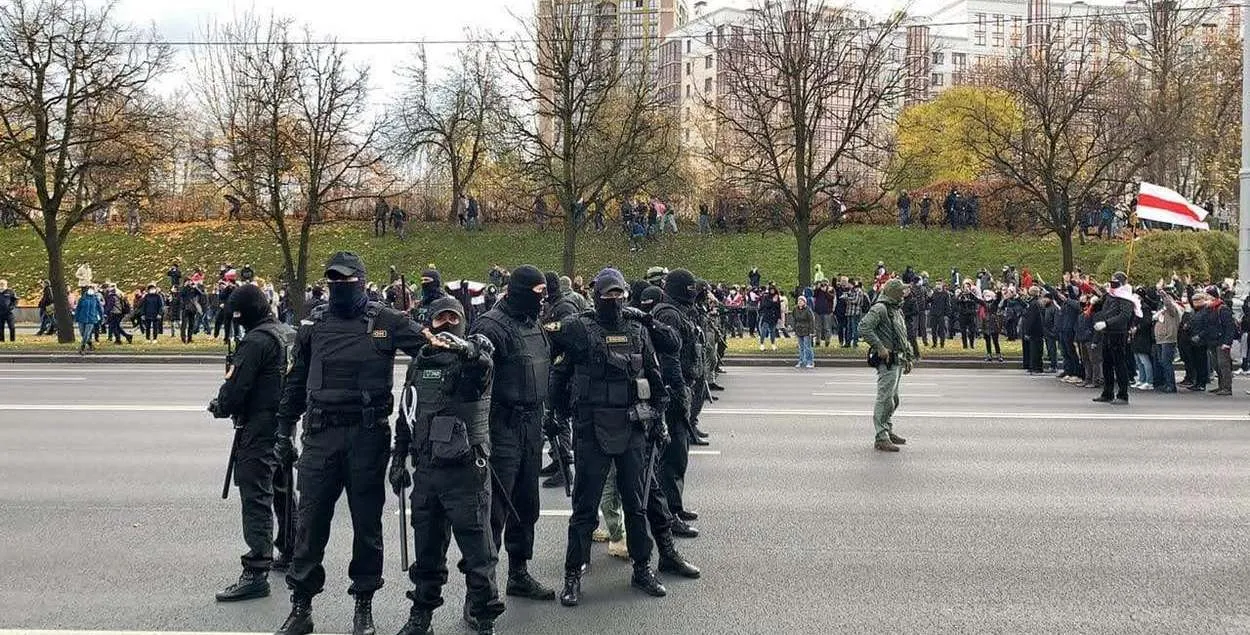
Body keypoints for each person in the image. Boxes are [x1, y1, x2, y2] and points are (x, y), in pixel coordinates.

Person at [272, 252, 429, 635]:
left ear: (361, 280)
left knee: (367, 526)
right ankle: (302, 606)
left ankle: (364, 606)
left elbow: (429, 353)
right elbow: (296, 383)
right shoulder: (315, 324)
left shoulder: (386, 321)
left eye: (345, 279)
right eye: (332, 280)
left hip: (367, 437)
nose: (338, 286)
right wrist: (283, 430)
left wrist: (468, 350)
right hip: (321, 436)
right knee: (310, 524)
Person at [547, 268, 670, 607]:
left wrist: (659, 417)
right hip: (590, 427)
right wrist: (553, 414)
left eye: (619, 294)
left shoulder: (637, 330)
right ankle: (573, 573)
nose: (614, 300)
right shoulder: (579, 330)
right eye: (608, 294)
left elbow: (654, 375)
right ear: (597, 295)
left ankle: (643, 567)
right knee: (584, 507)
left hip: (631, 426)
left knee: (636, 503)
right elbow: (558, 370)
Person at [390, 296, 504, 635]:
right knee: (426, 552)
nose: (446, 324)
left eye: (453, 318)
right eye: (440, 318)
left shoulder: (471, 362)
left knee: (478, 555)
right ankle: (421, 616)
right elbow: (406, 413)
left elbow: (483, 368)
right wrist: (398, 457)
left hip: (467, 472)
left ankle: (483, 616)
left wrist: (467, 350)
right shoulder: (419, 363)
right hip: (427, 471)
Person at [469, 265, 556, 603]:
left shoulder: (533, 322)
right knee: (493, 511)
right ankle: (480, 592)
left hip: (532, 425)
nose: (542, 301)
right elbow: (475, 380)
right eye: (537, 294)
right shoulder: (491, 326)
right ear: (520, 292)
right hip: (500, 427)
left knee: (526, 505)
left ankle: (518, 573)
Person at [208, 284, 299, 603]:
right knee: (282, 487)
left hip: (259, 426)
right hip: (285, 423)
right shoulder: (288, 333)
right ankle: (290, 549)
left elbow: (234, 390)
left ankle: (256, 570)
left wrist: (220, 405)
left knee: (257, 492)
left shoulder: (256, 341)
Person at [652, 270, 705, 535]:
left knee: (679, 453)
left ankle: (674, 505)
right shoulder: (669, 314)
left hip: (681, 386)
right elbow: (670, 357)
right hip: (674, 390)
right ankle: (668, 515)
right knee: (672, 456)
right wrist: (676, 390)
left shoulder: (677, 311)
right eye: (690, 288)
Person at [860, 279, 913, 452]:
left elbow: (902, 335)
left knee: (893, 399)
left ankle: (887, 429)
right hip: (887, 361)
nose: (904, 293)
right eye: (901, 291)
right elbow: (864, 327)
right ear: (893, 293)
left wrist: (908, 357)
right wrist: (880, 347)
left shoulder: (896, 309)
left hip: (897, 359)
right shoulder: (880, 308)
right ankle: (881, 436)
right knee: (885, 399)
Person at [1092, 273, 1138, 404]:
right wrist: (1096, 303)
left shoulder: (1126, 297)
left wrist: (1107, 323)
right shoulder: (1111, 295)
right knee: (1107, 364)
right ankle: (1108, 392)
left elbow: (1124, 316)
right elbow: (1104, 309)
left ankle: (1123, 395)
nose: (1112, 283)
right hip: (1107, 333)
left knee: (1119, 364)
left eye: (1115, 281)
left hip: (1118, 333)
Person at [74, 285, 103, 354]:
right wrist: (76, 317)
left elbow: (100, 309)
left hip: (91, 319)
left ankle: (82, 348)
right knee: (82, 333)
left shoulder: (95, 299)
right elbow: (78, 308)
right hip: (82, 318)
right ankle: (90, 344)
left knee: (86, 334)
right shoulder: (82, 298)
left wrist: (102, 318)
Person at [793, 295, 815, 368]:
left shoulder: (808, 310)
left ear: (804, 302)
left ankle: (810, 361)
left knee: (807, 347)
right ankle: (802, 361)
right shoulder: (795, 309)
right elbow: (794, 320)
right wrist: (794, 329)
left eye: (801, 301)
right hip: (799, 329)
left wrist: (811, 331)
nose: (800, 302)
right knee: (801, 347)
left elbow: (811, 320)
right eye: (799, 301)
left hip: (806, 330)